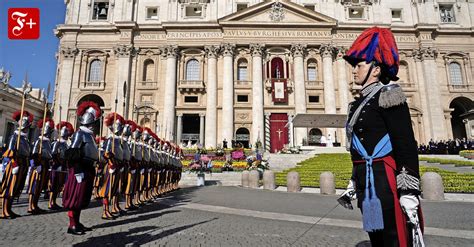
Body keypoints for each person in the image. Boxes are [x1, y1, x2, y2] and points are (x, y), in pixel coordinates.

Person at [339, 27, 424, 246]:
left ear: (375, 70)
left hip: (386, 183)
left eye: (359, 65)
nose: (354, 71)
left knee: (394, 238)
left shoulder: (389, 95)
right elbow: (360, 146)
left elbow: (404, 144)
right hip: (367, 184)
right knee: (376, 238)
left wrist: (409, 190)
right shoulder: (357, 103)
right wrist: (354, 180)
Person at [63, 101, 101, 235]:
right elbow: (72, 153)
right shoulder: (80, 133)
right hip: (79, 170)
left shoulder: (89, 136)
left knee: (81, 198)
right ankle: (72, 224)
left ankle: (77, 223)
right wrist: (78, 171)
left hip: (88, 169)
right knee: (75, 197)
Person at [1, 110, 33, 219]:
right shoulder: (15, 136)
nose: (28, 128)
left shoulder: (25, 139)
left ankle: (9, 209)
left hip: (22, 165)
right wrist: (14, 166)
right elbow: (10, 153)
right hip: (14, 165)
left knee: (15, 188)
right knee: (9, 188)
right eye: (27, 126)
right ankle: (4, 211)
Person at [28, 118, 55, 214]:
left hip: (45, 166)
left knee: (40, 187)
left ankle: (35, 205)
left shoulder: (48, 142)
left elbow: (49, 154)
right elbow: (34, 154)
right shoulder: (38, 141)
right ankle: (30, 206)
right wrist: (36, 165)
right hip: (38, 166)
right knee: (34, 186)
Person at [49, 121, 74, 210]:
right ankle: (50, 202)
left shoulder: (66, 144)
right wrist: (57, 161)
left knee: (59, 185)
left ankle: (54, 201)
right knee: (54, 184)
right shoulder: (57, 143)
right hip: (57, 166)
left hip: (63, 166)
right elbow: (53, 153)